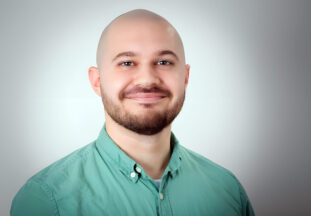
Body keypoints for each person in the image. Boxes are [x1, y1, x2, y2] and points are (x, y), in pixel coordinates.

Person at [10, 9, 255, 216]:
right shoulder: (46, 200)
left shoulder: (228, 190)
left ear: (186, 77)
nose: (147, 79)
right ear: (97, 81)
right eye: (127, 63)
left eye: (164, 62)